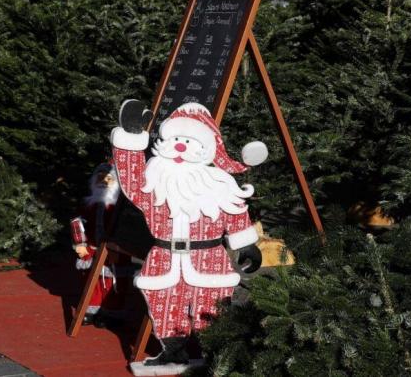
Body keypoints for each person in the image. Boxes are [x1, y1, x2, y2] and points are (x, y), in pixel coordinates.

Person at [110, 100, 266, 374]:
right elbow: (132, 178)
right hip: (164, 258)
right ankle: (174, 352)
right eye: (177, 139)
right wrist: (132, 137)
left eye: (190, 141)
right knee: (164, 304)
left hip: (210, 259)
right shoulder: (154, 183)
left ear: (207, 149)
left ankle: (214, 354)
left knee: (212, 308)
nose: (181, 146)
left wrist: (246, 244)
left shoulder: (219, 184)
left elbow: (235, 212)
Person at [70, 163, 127, 327]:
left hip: (114, 252)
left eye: (109, 178)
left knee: (113, 285)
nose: (104, 181)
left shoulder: (119, 208)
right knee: (92, 281)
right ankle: (91, 311)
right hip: (92, 248)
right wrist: (80, 244)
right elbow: (78, 224)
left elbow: (124, 229)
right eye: (100, 178)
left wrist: (119, 248)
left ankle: (111, 314)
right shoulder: (89, 204)